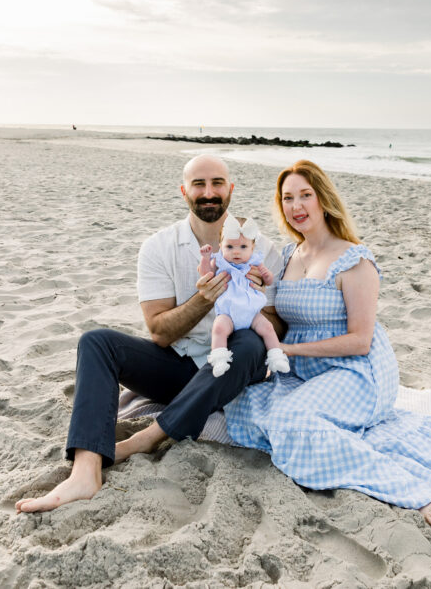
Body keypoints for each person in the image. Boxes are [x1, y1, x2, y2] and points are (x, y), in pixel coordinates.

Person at [224, 160, 431, 533]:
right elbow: (273, 313)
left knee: (291, 421)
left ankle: (407, 488)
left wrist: (290, 351)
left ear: (324, 200)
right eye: (288, 198)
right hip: (305, 371)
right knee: (245, 405)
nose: (296, 206)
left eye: (306, 195)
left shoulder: (354, 259)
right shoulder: (288, 256)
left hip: (356, 371)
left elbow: (359, 340)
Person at [15, 154, 283, 513]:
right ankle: (85, 470)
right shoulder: (158, 247)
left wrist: (253, 300)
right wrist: (203, 300)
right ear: (184, 190)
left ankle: (146, 439)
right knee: (96, 342)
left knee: (251, 341)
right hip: (178, 367)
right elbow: (158, 332)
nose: (208, 192)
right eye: (199, 184)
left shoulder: (263, 248)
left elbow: (276, 325)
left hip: (230, 370)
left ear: (230, 189)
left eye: (217, 183)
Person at [198, 215, 290, 377]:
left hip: (252, 313)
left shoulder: (255, 262)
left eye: (243, 247)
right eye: (230, 247)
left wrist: (264, 274)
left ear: (252, 248)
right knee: (218, 328)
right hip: (228, 314)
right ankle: (219, 359)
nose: (236, 252)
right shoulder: (219, 261)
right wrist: (206, 259)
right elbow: (206, 274)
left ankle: (276, 357)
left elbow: (268, 281)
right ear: (220, 247)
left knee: (267, 328)